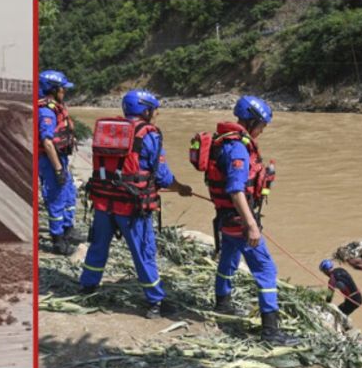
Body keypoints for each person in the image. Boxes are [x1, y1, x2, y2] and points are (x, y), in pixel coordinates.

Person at [79, 89, 195, 317]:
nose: (157, 115)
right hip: (131, 207)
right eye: (155, 111)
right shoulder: (149, 135)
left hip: (103, 202)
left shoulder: (110, 130)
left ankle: (87, 287)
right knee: (144, 252)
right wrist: (181, 188)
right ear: (146, 110)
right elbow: (162, 176)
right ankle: (155, 302)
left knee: (98, 246)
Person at [202, 96, 298, 346]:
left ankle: (222, 303)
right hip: (239, 221)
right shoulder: (237, 149)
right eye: (262, 126)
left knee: (228, 260)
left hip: (226, 218)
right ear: (252, 121)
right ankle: (271, 332)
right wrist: (251, 225)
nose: (262, 131)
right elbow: (235, 190)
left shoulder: (226, 142)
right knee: (266, 270)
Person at [37, 69, 81, 255]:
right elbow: (47, 142)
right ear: (53, 90)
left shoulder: (56, 106)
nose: (64, 93)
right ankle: (57, 239)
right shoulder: (46, 111)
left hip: (60, 157)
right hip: (49, 161)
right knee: (56, 197)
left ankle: (68, 228)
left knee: (69, 192)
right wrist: (57, 169)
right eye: (62, 89)